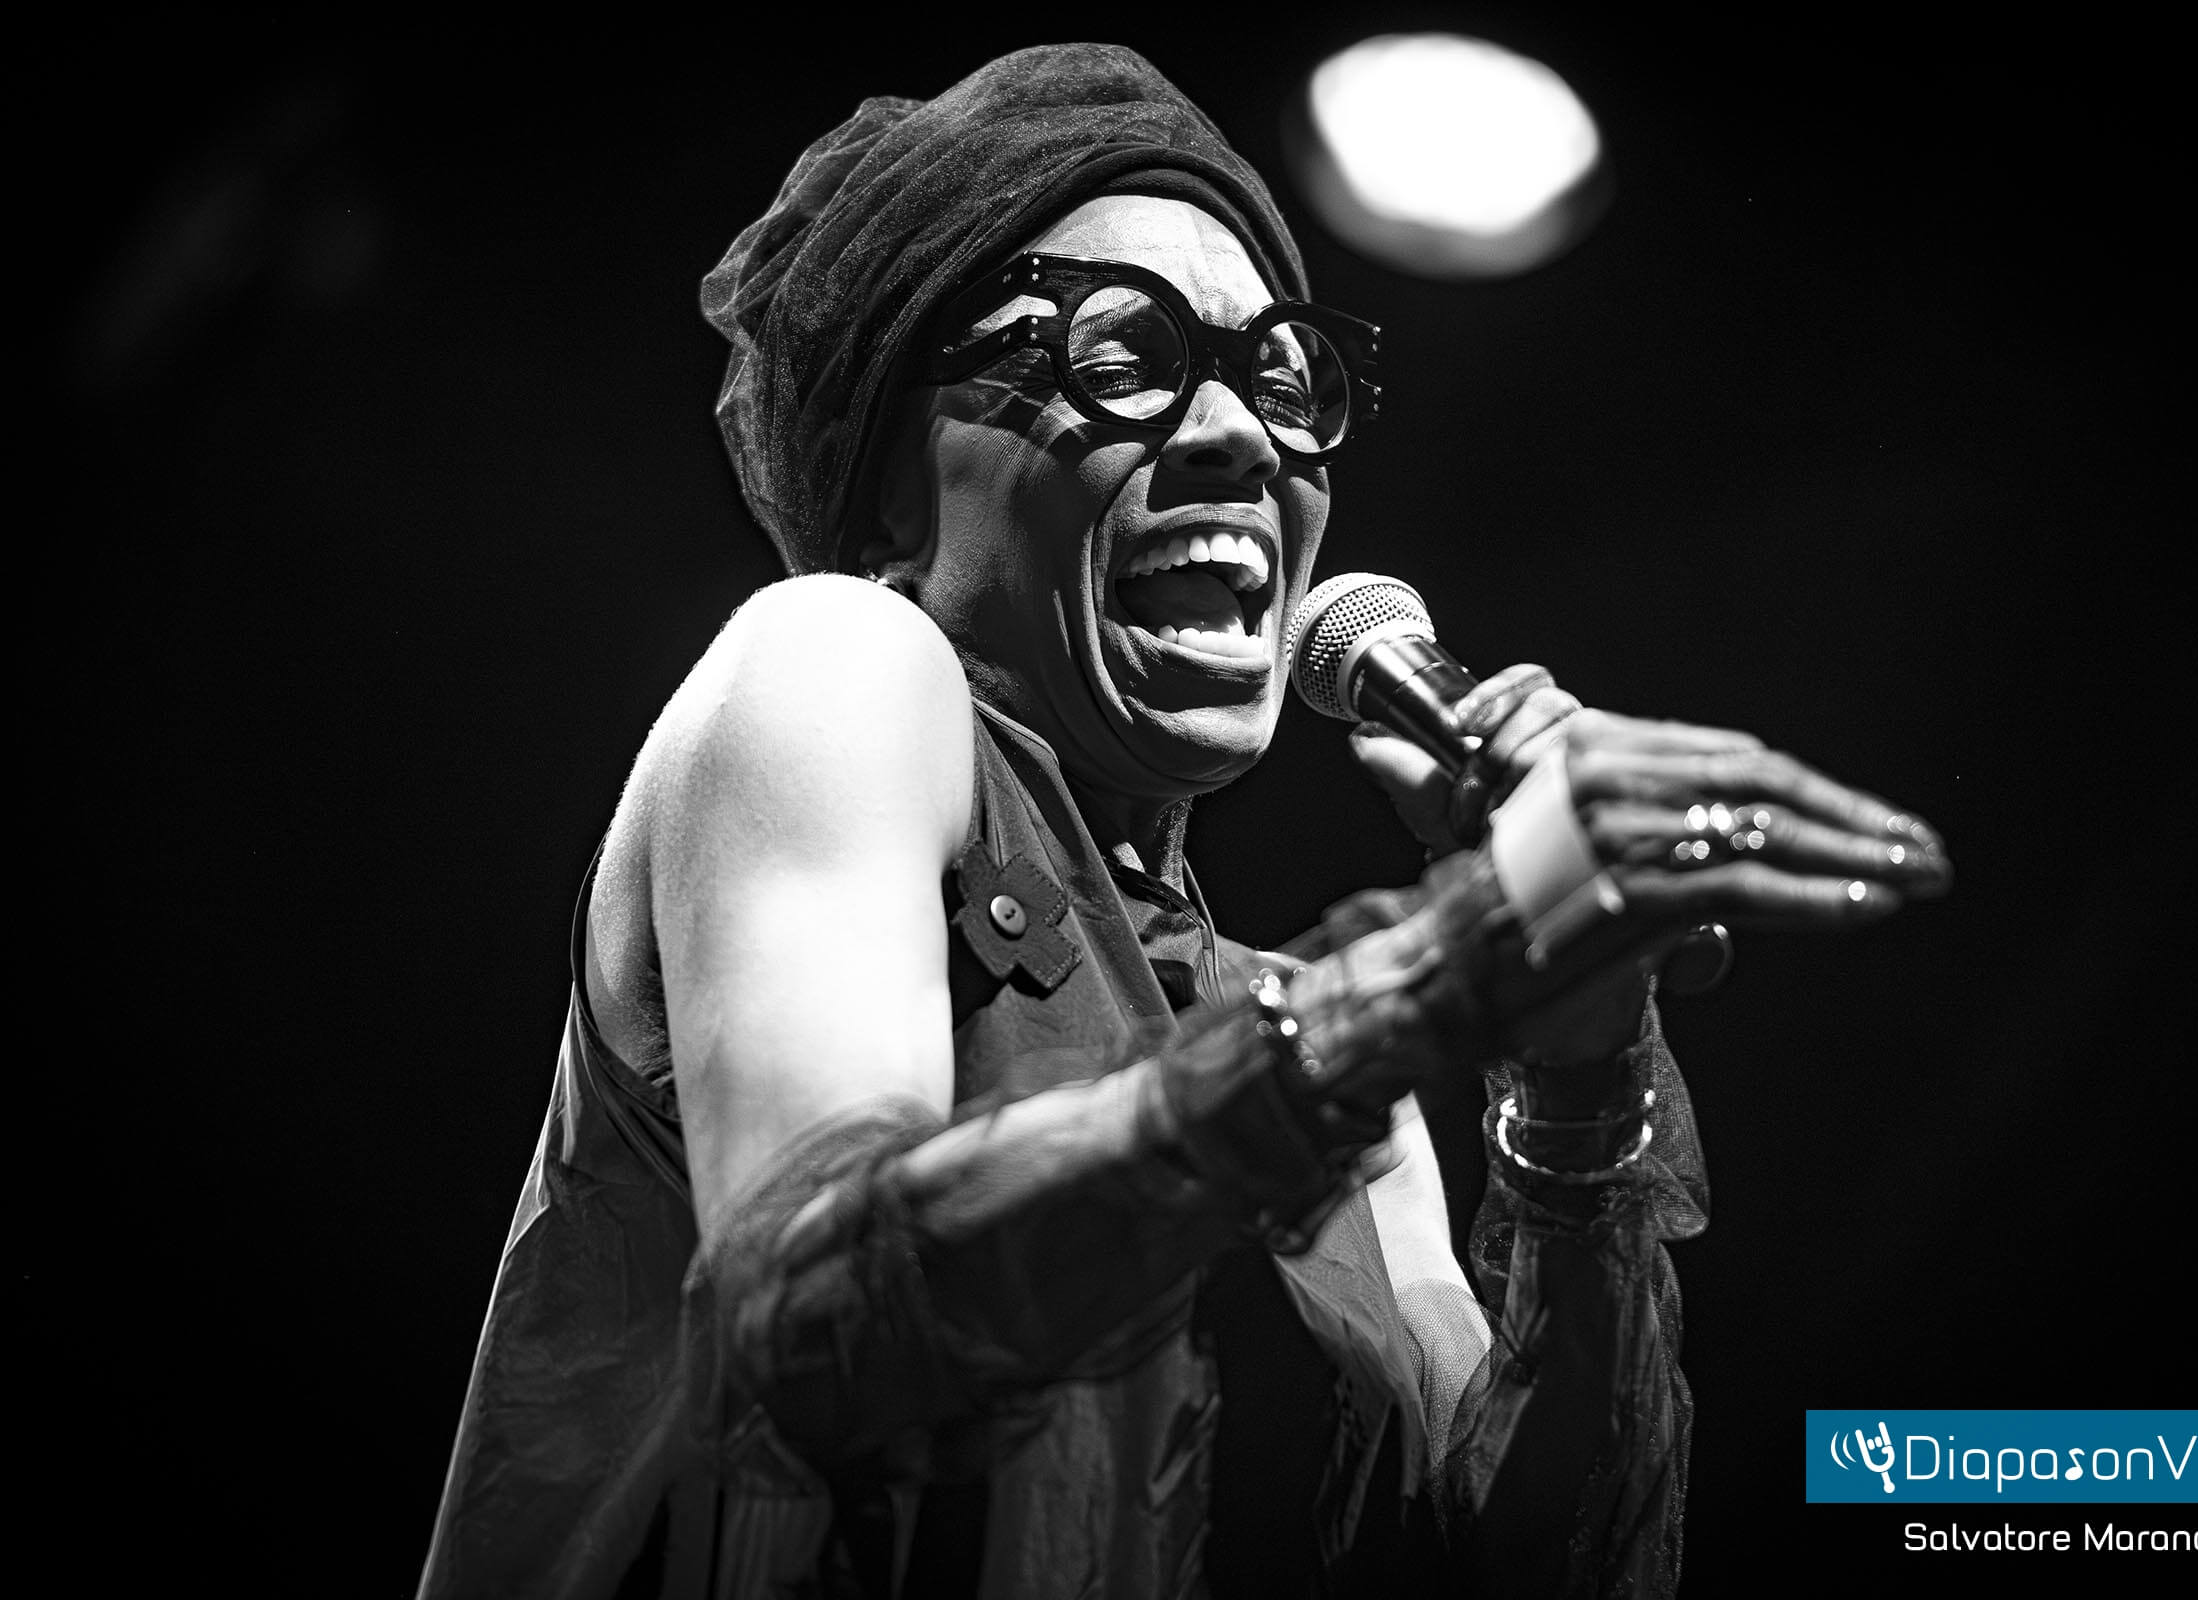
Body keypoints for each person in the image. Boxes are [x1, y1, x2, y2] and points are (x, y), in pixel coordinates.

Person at [419, 44, 1949, 1599]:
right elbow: (815, 1316)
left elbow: (1552, 1572)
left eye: (1280, 377)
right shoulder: (836, 659)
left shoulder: (1315, 1058)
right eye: (1120, 351)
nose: (1240, 437)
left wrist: (1575, 1070)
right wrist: (1429, 983)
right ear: (887, 483)